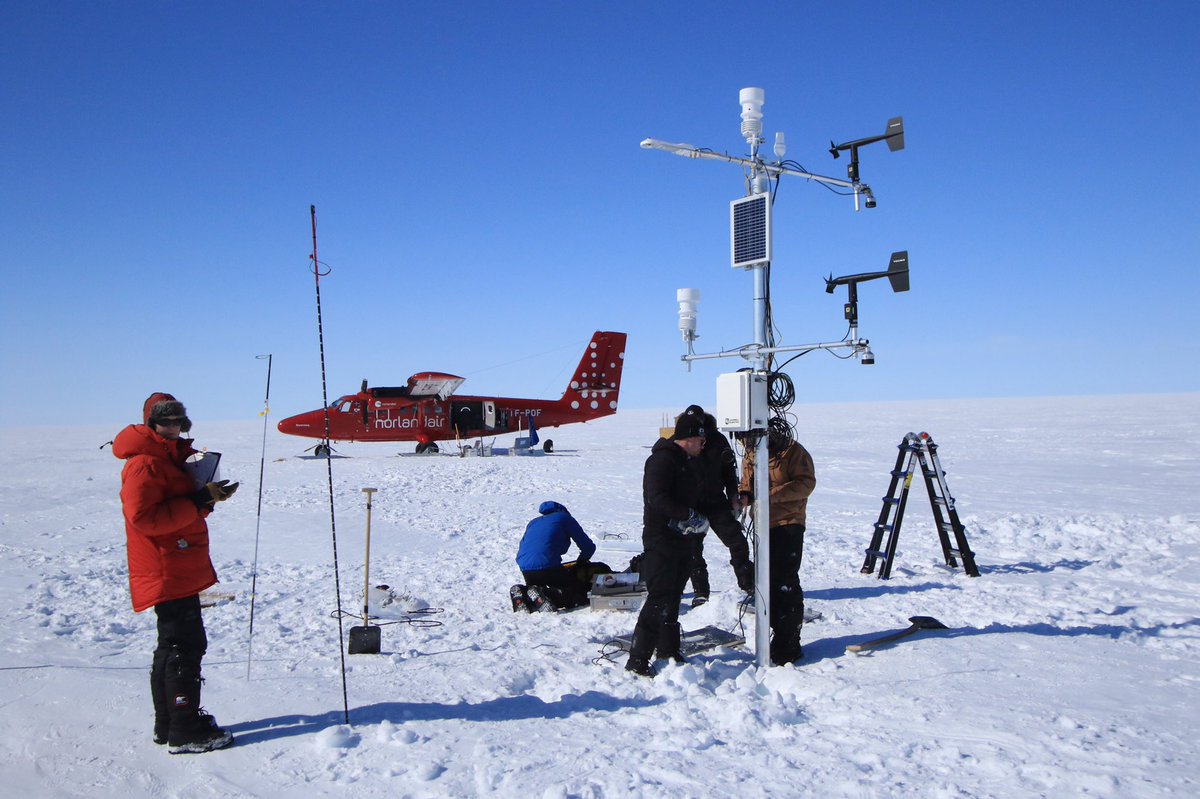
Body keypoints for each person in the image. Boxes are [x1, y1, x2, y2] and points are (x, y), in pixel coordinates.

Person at [112, 393, 239, 753]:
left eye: (177, 422)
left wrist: (206, 500)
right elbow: (144, 518)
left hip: (173, 560)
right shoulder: (145, 464)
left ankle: (168, 723)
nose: (171, 428)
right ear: (150, 423)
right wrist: (197, 503)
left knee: (172, 644)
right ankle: (185, 729)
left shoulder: (165, 457)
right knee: (185, 644)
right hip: (165, 564)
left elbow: (172, 507)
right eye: (164, 422)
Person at [625, 413, 708, 677]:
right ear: (690, 438)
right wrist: (686, 515)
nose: (704, 444)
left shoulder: (687, 462)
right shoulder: (661, 460)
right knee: (660, 596)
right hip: (661, 537)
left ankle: (668, 650)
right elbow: (656, 498)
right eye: (701, 438)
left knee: (673, 595)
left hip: (682, 538)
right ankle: (637, 660)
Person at [738, 426, 816, 665]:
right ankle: (777, 633)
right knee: (766, 582)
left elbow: (806, 483)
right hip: (763, 525)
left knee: (785, 581)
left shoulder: (793, 452)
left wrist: (771, 495)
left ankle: (789, 641)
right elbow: (746, 484)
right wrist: (745, 496)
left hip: (788, 522)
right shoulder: (751, 454)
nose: (746, 446)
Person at [678, 405, 754, 605]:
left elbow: (729, 472)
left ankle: (749, 584)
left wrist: (732, 495)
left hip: (715, 500)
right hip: (691, 504)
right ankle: (700, 592)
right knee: (693, 548)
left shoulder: (718, 440)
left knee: (737, 541)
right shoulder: (682, 442)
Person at [514, 501, 597, 611]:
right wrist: (582, 561)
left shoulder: (534, 522)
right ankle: (547, 595)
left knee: (535, 592)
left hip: (526, 567)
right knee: (578, 595)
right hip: (547, 564)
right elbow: (588, 547)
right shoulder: (565, 518)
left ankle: (523, 594)